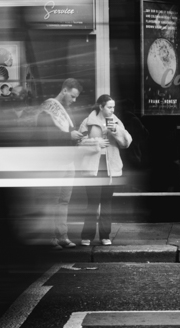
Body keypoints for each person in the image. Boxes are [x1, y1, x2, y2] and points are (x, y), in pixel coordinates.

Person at [77, 94, 132, 246]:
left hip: (110, 168)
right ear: (101, 107)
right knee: (93, 202)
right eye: (109, 107)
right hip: (93, 167)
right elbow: (79, 143)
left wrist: (116, 131)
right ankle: (87, 236)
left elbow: (126, 142)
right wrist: (96, 143)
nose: (112, 110)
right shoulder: (88, 122)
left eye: (113, 107)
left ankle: (105, 236)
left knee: (107, 202)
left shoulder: (115, 121)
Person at [37, 78, 83, 248]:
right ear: (64, 91)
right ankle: (51, 238)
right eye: (72, 96)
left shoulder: (65, 110)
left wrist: (76, 138)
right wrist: (69, 137)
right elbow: (46, 137)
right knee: (53, 200)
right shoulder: (47, 110)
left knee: (63, 201)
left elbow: (67, 133)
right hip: (54, 162)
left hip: (67, 162)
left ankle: (62, 236)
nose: (74, 100)